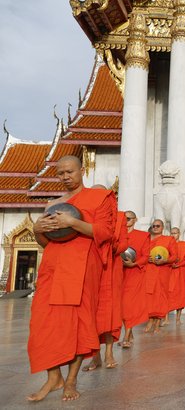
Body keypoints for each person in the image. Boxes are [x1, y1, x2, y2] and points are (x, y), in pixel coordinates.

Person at [28, 155, 114, 401]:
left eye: (70, 172)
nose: (66, 177)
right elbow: (47, 242)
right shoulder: (52, 206)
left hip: (82, 266)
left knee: (78, 326)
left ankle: (71, 380)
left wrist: (73, 222)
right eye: (61, 173)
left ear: (82, 170)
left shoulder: (100, 198)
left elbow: (105, 232)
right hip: (53, 268)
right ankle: (54, 378)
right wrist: (37, 231)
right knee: (41, 324)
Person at [84, 195, 127, 372]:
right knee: (90, 312)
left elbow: (124, 243)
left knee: (109, 313)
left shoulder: (119, 218)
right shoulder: (85, 217)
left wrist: (112, 247)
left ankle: (108, 352)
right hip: (90, 267)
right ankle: (95, 357)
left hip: (111, 268)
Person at [120, 211, 150, 348]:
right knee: (121, 305)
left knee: (129, 304)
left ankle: (126, 336)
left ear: (135, 219)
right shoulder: (117, 236)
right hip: (119, 273)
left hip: (135, 272)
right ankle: (129, 332)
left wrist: (135, 263)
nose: (126, 221)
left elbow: (145, 255)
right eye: (124, 219)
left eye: (129, 219)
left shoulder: (143, 236)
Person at [146, 219, 177, 333]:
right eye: (153, 226)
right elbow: (142, 253)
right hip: (149, 271)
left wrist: (165, 260)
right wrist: (146, 258)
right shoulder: (146, 239)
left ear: (162, 227)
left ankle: (158, 322)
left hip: (162, 271)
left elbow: (174, 257)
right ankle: (150, 319)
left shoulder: (169, 239)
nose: (155, 227)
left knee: (160, 296)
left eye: (158, 226)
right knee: (148, 295)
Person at [167, 227, 185, 325]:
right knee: (168, 294)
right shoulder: (167, 245)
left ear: (179, 234)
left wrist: (177, 264)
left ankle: (178, 318)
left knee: (180, 295)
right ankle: (166, 318)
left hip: (181, 273)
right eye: (172, 233)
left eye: (175, 233)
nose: (173, 235)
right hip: (170, 272)